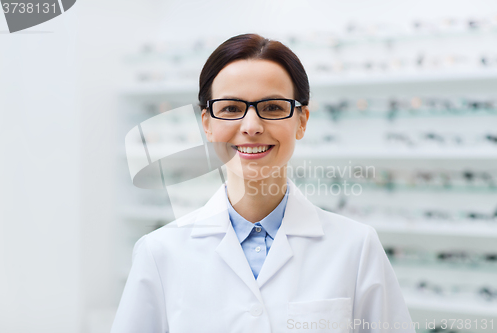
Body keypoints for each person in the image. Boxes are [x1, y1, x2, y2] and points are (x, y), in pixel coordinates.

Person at [111, 33, 416, 333]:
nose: (252, 127)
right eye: (230, 108)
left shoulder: (356, 248)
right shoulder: (160, 252)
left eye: (272, 108)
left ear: (302, 121)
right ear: (206, 123)